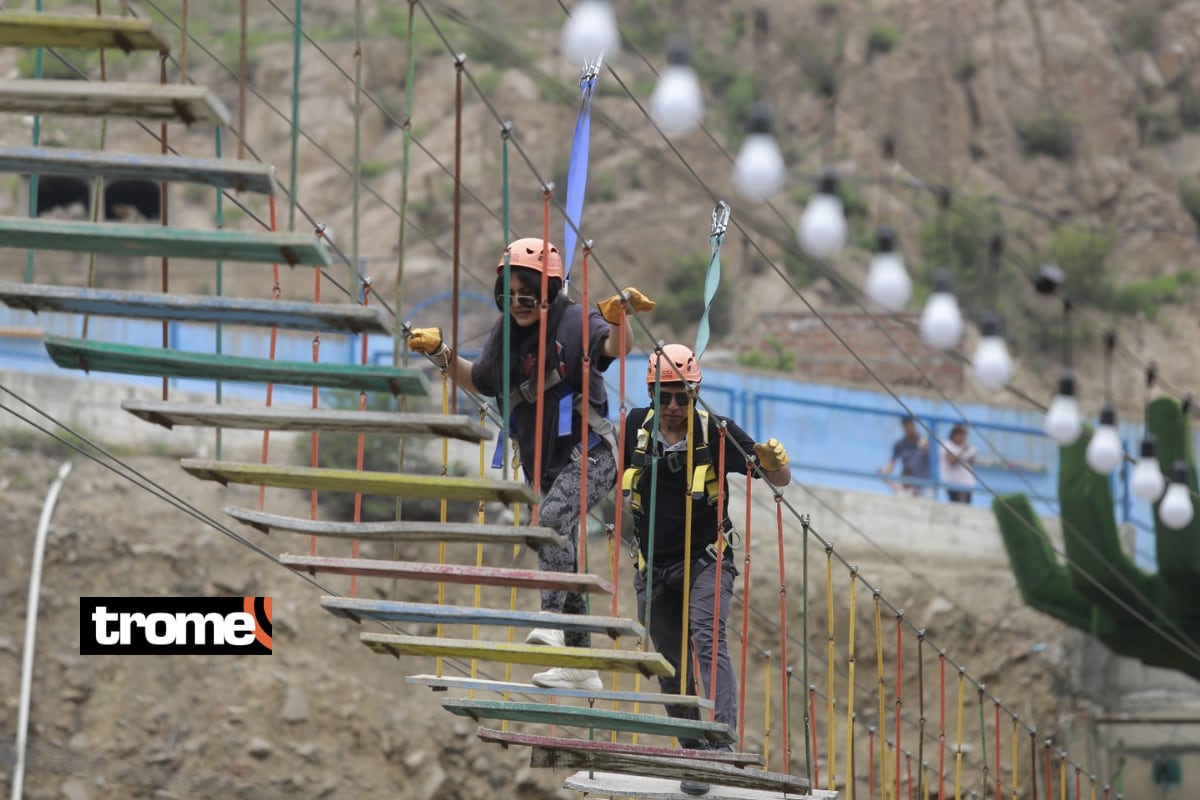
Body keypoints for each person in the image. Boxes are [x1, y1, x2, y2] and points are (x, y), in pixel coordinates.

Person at [407, 237, 654, 691]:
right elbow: (481, 382)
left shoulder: (578, 321)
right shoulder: (506, 336)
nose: (518, 304)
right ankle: (580, 665)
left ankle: (550, 620)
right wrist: (441, 355)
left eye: (528, 295)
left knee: (549, 521)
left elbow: (616, 348)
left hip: (592, 455)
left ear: (551, 290)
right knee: (564, 550)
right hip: (543, 467)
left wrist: (621, 319)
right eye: (509, 295)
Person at [622, 344, 791, 796]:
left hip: (706, 561)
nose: (674, 407)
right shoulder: (634, 428)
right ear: (652, 396)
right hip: (652, 567)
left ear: (696, 393)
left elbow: (776, 479)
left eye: (683, 397)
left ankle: (719, 743)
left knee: (706, 636)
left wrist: (776, 464)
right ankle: (695, 753)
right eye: (665, 397)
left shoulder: (716, 432)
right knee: (670, 666)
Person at [879, 414, 931, 497]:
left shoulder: (924, 441)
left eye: (910, 426)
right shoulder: (900, 444)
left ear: (914, 425)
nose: (908, 429)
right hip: (909, 485)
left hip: (925, 485)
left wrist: (927, 448)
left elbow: (935, 459)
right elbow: (892, 462)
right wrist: (885, 473)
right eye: (906, 427)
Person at [938, 423, 976, 504]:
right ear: (955, 435)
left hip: (967, 484)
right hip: (953, 484)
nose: (964, 438)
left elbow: (972, 463)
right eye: (962, 435)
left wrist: (971, 453)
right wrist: (962, 450)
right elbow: (952, 461)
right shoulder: (947, 445)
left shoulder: (966, 446)